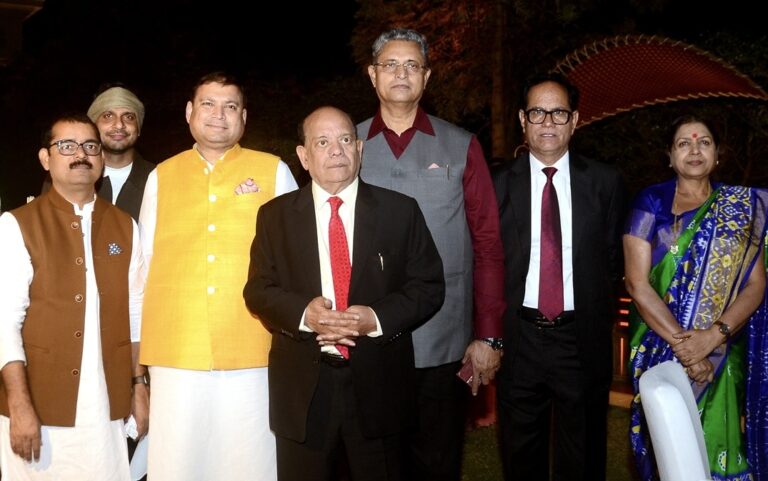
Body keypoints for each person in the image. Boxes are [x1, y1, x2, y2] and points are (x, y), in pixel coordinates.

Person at [244, 105, 445, 481]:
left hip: (379, 385)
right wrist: (306, 314)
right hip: (304, 389)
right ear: (304, 156)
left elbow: (429, 285)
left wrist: (376, 318)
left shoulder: (400, 211)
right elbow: (258, 289)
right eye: (322, 141)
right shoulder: (275, 216)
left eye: (345, 139)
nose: (336, 150)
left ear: (360, 148)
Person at [358, 28, 506, 480]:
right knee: (377, 465)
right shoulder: (348, 143)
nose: (401, 74)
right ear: (372, 75)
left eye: (412, 66)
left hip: (445, 341)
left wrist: (488, 335)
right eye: (390, 65)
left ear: (426, 77)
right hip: (369, 338)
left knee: (438, 463)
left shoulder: (461, 145)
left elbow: (487, 243)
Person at [138, 71, 297, 481]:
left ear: (243, 116)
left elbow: (295, 259)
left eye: (230, 106)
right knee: (177, 462)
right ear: (190, 113)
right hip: (176, 351)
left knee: (250, 461)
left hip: (253, 346)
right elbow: (145, 266)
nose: (218, 115)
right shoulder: (161, 177)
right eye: (208, 104)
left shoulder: (273, 171)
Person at [493, 72, 626, 481]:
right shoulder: (495, 183)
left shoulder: (606, 182)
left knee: (583, 455)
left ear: (575, 120)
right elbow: (482, 261)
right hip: (518, 339)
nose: (547, 122)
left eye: (558, 113)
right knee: (520, 454)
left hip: (579, 338)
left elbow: (614, 262)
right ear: (522, 119)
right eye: (537, 112)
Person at [0, 113, 148, 480]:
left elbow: (135, 313)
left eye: (90, 146)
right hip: (40, 407)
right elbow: (4, 322)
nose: (80, 154)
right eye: (66, 145)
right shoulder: (16, 224)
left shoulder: (124, 225)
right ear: (45, 158)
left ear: (100, 159)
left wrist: (138, 387)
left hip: (105, 408)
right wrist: (19, 406)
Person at [624, 115, 768, 481]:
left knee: (721, 452)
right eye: (684, 143)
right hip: (661, 349)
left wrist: (712, 337)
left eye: (704, 141)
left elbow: (755, 285)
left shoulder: (739, 211)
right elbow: (638, 284)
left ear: (717, 155)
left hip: (723, 352)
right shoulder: (650, 202)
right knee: (671, 457)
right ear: (670, 157)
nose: (694, 149)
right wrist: (686, 347)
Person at [42, 85, 154, 221]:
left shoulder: (158, 178)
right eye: (108, 116)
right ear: (93, 128)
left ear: (138, 128)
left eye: (129, 117)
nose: (119, 125)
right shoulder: (68, 176)